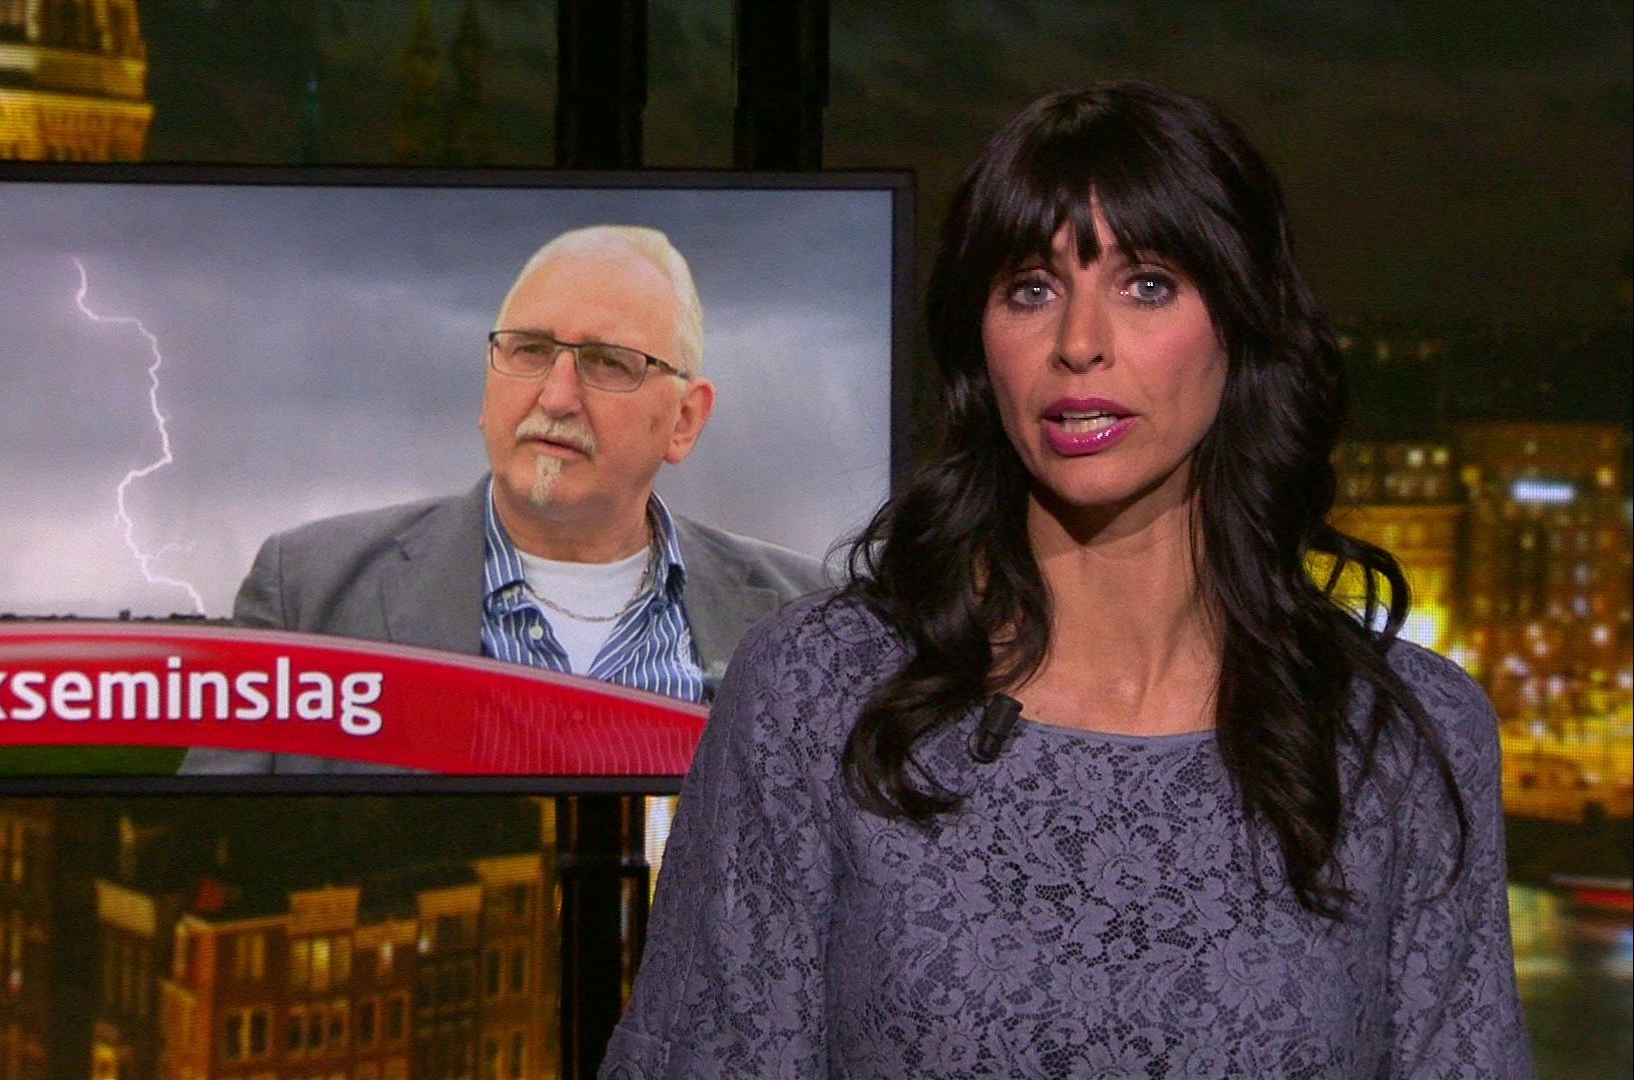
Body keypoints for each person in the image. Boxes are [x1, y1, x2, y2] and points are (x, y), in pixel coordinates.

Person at [601, 82, 1533, 1079]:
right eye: (1032, 290)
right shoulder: (815, 693)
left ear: (1241, 324)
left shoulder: (1403, 737)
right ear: (980, 344)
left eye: (1148, 285)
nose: (1079, 343)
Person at [181, 225, 828, 774]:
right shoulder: (307, 596)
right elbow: (209, 843)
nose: (556, 397)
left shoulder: (816, 617)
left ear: (685, 420)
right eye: (530, 350)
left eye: (608, 362)